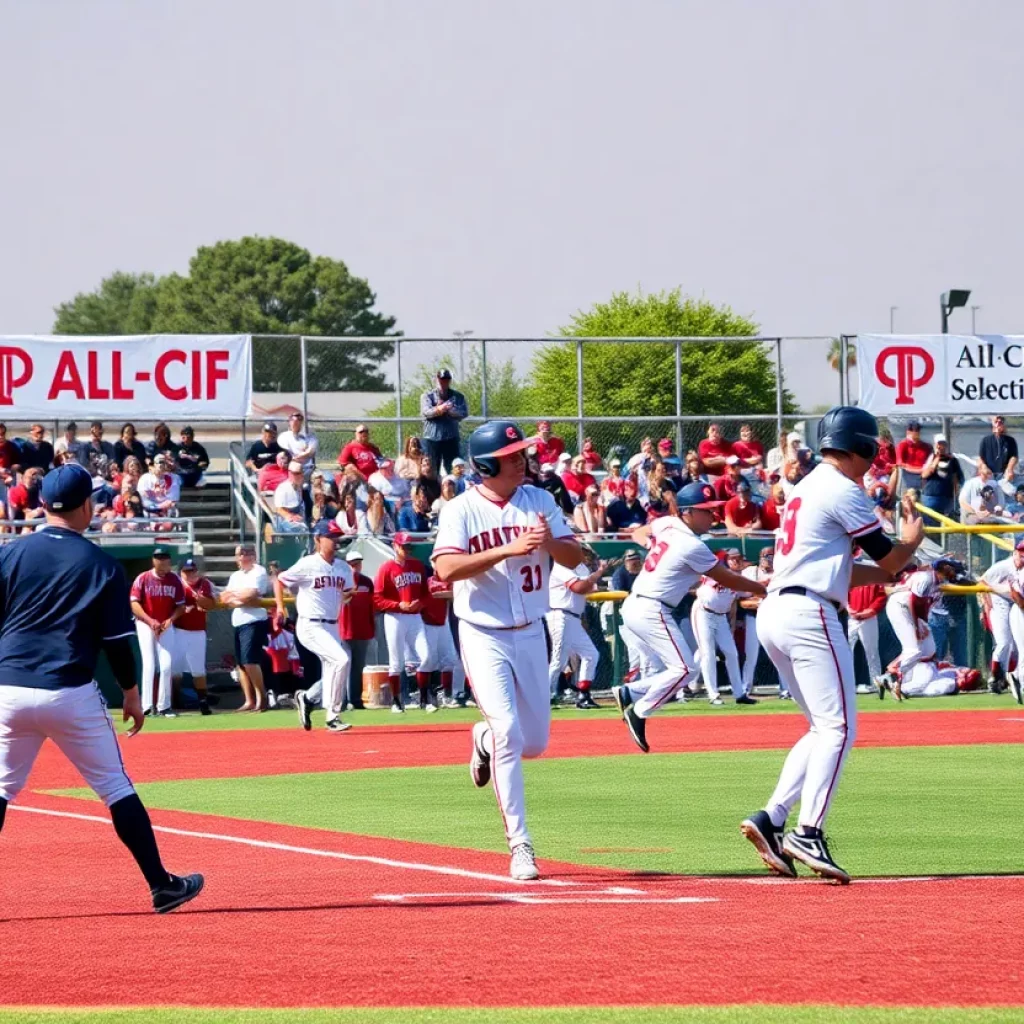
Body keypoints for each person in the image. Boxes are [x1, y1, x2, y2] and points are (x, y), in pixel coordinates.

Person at [0, 462, 203, 912]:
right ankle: (162, 885)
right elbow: (116, 642)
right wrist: (131, 692)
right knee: (114, 786)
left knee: (0, 789)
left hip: (8, 688)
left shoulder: (9, 554)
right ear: (87, 505)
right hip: (69, 690)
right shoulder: (101, 564)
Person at [740, 406, 923, 885]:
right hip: (809, 614)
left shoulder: (806, 488)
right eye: (871, 451)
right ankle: (809, 831)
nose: (874, 460)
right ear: (860, 446)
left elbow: (861, 569)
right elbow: (889, 558)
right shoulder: (843, 489)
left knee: (822, 728)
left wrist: (896, 559)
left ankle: (772, 817)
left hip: (779, 610)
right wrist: (911, 541)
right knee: (839, 728)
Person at [431, 420, 582, 881]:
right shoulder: (461, 509)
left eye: (522, 452)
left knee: (533, 743)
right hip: (483, 633)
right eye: (513, 454)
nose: (523, 459)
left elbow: (576, 557)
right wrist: (508, 549)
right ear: (484, 465)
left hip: (532, 630)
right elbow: (445, 567)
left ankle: (482, 738)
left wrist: (549, 542)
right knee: (510, 734)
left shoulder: (539, 499)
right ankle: (521, 846)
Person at [614, 483, 765, 750]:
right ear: (689, 512)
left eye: (714, 509)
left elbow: (639, 531)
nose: (713, 516)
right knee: (684, 669)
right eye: (707, 511)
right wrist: (762, 588)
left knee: (683, 668)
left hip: (639, 605)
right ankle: (639, 710)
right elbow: (726, 577)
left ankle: (630, 692)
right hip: (651, 607)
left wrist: (652, 544)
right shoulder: (690, 544)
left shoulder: (668, 524)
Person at [276, 520, 354, 733]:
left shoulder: (343, 567)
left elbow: (347, 592)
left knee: (333, 667)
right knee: (341, 660)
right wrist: (281, 608)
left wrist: (345, 596)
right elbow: (280, 580)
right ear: (318, 539)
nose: (335, 541)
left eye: (337, 536)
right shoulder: (308, 563)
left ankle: (307, 698)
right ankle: (333, 716)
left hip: (332, 624)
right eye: (331, 536)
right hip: (310, 624)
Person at [374, 532, 432, 712]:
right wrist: (398, 604)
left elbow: (426, 593)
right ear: (395, 546)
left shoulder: (417, 566)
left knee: (427, 656)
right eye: (403, 546)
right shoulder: (386, 568)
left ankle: (424, 699)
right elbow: (377, 598)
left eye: (409, 547)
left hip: (414, 616)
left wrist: (420, 603)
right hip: (394, 617)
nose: (407, 550)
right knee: (396, 662)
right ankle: (396, 701)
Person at [130, 549, 186, 717]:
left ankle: (164, 706)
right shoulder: (143, 578)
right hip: (145, 623)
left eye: (164, 559)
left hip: (165, 624)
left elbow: (181, 606)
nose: (161, 562)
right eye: (158, 559)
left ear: (169, 562)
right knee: (149, 664)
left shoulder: (174, 579)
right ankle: (147, 706)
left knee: (167, 665)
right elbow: (134, 604)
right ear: (153, 561)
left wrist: (170, 620)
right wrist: (149, 620)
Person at [690, 549, 750, 705]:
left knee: (731, 653)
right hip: (703, 612)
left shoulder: (739, 580)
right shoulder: (716, 573)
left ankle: (739, 694)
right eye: (732, 559)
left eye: (738, 559)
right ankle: (713, 694)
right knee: (707, 653)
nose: (736, 561)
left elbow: (748, 593)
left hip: (721, 617)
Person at [546, 553, 604, 709]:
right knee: (559, 660)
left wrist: (599, 577)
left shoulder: (580, 568)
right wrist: (599, 572)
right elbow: (578, 588)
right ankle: (544, 697)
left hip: (574, 617)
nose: (584, 556)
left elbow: (590, 589)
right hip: (560, 615)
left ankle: (583, 695)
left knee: (591, 654)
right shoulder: (559, 566)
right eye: (582, 552)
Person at [221, 544, 271, 711]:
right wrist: (239, 598)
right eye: (238, 554)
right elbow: (225, 596)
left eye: (244, 553)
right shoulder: (235, 575)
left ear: (252, 555)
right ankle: (249, 700)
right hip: (239, 620)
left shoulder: (259, 571)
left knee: (250, 661)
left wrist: (237, 597)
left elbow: (252, 594)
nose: (241, 557)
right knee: (241, 664)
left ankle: (261, 698)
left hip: (254, 620)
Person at [174, 559, 217, 715]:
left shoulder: (203, 584)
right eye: (186, 571)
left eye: (192, 570)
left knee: (198, 669)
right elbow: (172, 605)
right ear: (181, 572)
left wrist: (200, 600)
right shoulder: (177, 584)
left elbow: (211, 604)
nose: (190, 574)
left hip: (197, 630)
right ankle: (174, 700)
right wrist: (185, 608)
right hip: (179, 629)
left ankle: (202, 702)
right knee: (175, 668)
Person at [980, 543, 1022, 693]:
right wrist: (986, 603)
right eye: (1021, 553)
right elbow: (982, 581)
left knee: (1016, 646)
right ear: (1015, 553)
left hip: (1015, 604)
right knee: (1004, 642)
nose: (1022, 556)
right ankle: (995, 679)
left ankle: (1010, 679)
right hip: (999, 602)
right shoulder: (1003, 566)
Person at [338, 549, 376, 710]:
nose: (355, 566)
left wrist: (372, 627)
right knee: (342, 666)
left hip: (362, 630)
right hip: (343, 629)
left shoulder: (367, 582)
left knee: (358, 667)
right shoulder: (340, 582)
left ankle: (356, 699)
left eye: (358, 563)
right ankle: (342, 700)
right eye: (352, 564)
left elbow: (371, 607)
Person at [420, 574, 461, 708]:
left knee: (450, 660)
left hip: (443, 622)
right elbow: (426, 596)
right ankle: (423, 696)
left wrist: (445, 594)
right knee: (428, 660)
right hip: (427, 623)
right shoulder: (427, 580)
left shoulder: (447, 580)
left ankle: (445, 695)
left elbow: (456, 594)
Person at [739, 547, 774, 700]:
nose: (767, 559)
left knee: (781, 653)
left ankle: (787, 691)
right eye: (765, 556)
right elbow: (742, 597)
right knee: (751, 654)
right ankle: (745, 688)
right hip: (753, 614)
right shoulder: (750, 572)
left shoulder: (781, 571)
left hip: (774, 614)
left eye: (770, 556)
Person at [420, 368, 468, 475]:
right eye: (441, 379)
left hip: (451, 437)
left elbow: (464, 413)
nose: (443, 382)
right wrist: (439, 409)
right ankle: (434, 490)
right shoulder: (427, 395)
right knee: (432, 468)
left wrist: (450, 411)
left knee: (453, 467)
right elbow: (426, 412)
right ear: (436, 379)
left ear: (449, 380)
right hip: (432, 438)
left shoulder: (458, 396)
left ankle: (453, 488)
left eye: (446, 379)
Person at [847, 578, 887, 693]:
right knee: (846, 652)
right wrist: (849, 609)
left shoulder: (875, 581)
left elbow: (881, 597)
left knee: (872, 652)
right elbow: (843, 596)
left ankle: (876, 684)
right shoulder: (851, 579)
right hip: (852, 618)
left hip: (869, 619)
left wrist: (870, 611)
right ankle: (846, 685)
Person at [920, 434, 964, 519]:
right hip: (930, 496)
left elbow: (956, 479)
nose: (940, 446)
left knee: (945, 523)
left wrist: (955, 497)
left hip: (946, 498)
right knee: (930, 523)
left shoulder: (952, 460)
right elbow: (924, 475)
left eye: (943, 444)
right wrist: (935, 461)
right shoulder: (930, 458)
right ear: (935, 445)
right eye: (938, 444)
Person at [977, 415, 1019, 496]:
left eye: (1001, 422)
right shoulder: (985, 440)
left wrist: (1010, 469)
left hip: (1004, 476)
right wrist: (983, 466)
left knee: (1009, 495)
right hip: (990, 475)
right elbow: (980, 458)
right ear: (992, 423)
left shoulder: (1011, 440)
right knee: (988, 497)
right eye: (996, 422)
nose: (998, 424)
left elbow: (1014, 457)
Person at [277, 412, 318, 478]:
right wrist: (304, 453)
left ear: (301, 423)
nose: (295, 423)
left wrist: (303, 454)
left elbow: (310, 452)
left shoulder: (310, 437)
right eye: (293, 420)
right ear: (289, 422)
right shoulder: (283, 436)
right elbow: (288, 455)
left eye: (299, 420)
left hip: (307, 469)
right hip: (290, 469)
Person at [895, 420, 931, 494]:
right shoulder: (903, 445)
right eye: (913, 431)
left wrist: (923, 470)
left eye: (917, 431)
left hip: (923, 477)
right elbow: (900, 463)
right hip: (908, 477)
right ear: (908, 432)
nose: (915, 433)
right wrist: (919, 470)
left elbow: (929, 463)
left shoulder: (927, 447)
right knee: (908, 498)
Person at [272, 461, 309, 533]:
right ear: (290, 473)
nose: (300, 476)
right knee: (300, 530)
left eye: (301, 473)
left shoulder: (300, 487)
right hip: (284, 521)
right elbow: (279, 509)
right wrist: (291, 517)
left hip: (298, 518)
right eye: (296, 473)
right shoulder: (283, 488)